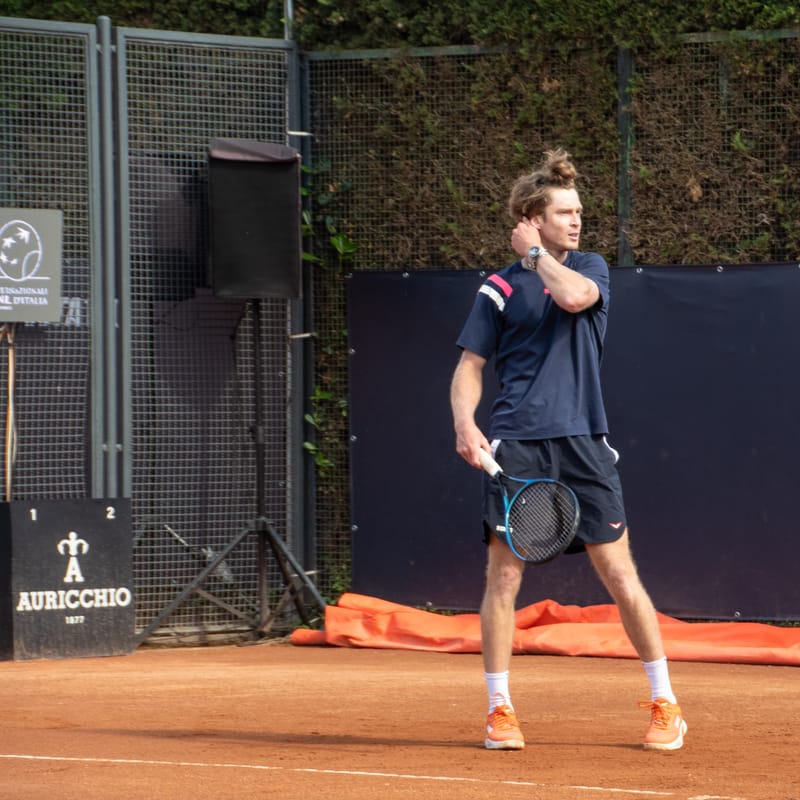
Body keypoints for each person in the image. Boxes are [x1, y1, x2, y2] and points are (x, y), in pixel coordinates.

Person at [449, 148, 687, 752]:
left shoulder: (590, 268)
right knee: (503, 579)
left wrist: (537, 255)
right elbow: (470, 365)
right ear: (533, 217)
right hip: (518, 444)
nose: (577, 220)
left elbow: (574, 299)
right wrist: (464, 424)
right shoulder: (497, 289)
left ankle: (665, 704)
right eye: (564, 212)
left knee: (618, 572)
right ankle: (499, 710)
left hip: (585, 443)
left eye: (579, 211)